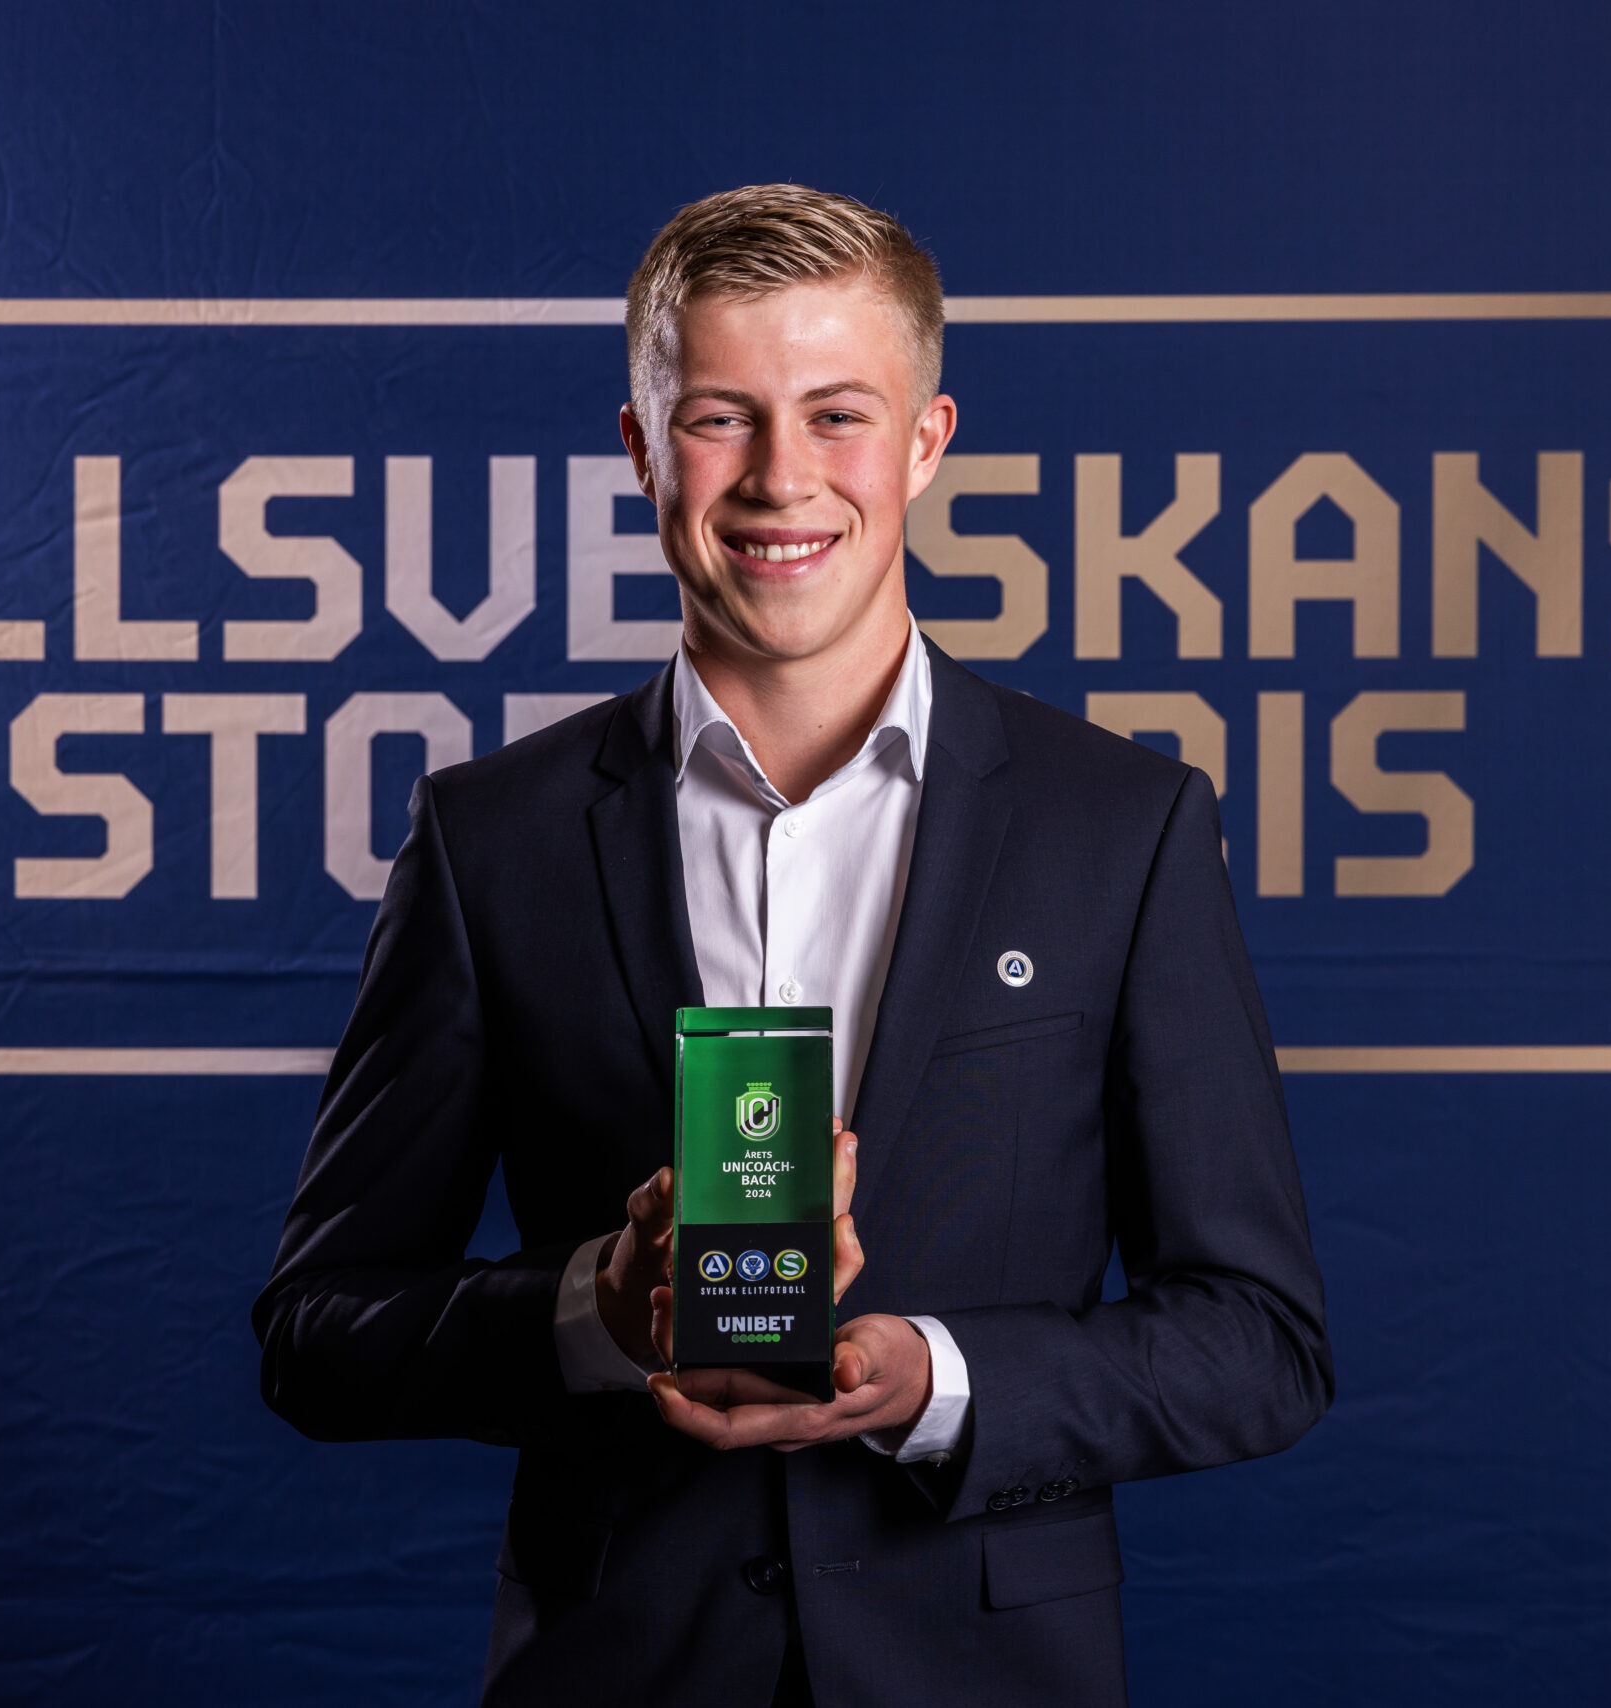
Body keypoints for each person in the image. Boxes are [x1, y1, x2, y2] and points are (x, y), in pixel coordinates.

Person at [254, 183, 1331, 1708]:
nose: (780, 478)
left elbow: (1260, 1340)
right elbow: (319, 1332)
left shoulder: (1123, 829)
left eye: (837, 416)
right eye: (720, 418)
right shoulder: (490, 841)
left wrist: (937, 1381)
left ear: (926, 442)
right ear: (641, 448)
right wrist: (597, 1313)